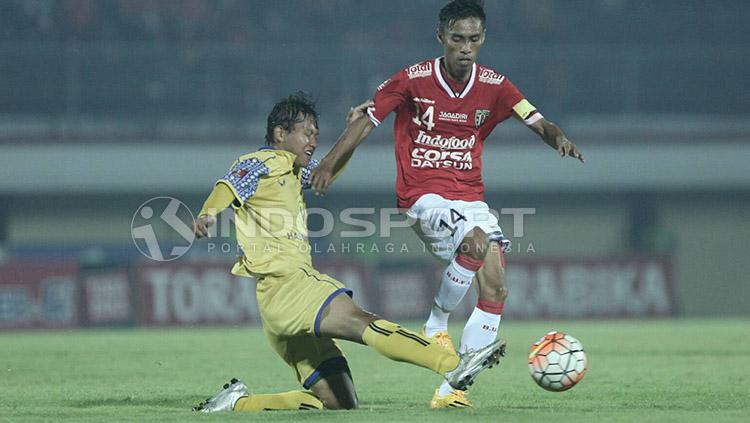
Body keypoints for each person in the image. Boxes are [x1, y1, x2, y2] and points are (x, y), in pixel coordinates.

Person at [310, 0, 584, 409]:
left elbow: (537, 120)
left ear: (483, 39)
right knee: (474, 242)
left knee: (496, 286)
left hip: (470, 196)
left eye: (474, 39)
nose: (465, 47)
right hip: (423, 195)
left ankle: (452, 390)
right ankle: (436, 325)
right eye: (457, 38)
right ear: (441, 37)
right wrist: (329, 163)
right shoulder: (413, 79)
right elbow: (366, 119)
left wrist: (557, 137)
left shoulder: (496, 85)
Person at [190, 92, 504, 412]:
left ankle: (236, 405)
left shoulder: (293, 171)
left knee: (340, 403)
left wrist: (353, 132)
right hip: (290, 285)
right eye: (306, 133)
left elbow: (328, 169)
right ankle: (452, 363)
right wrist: (208, 213)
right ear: (280, 133)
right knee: (362, 321)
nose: (313, 141)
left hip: (277, 304)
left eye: (316, 134)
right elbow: (229, 185)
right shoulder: (262, 162)